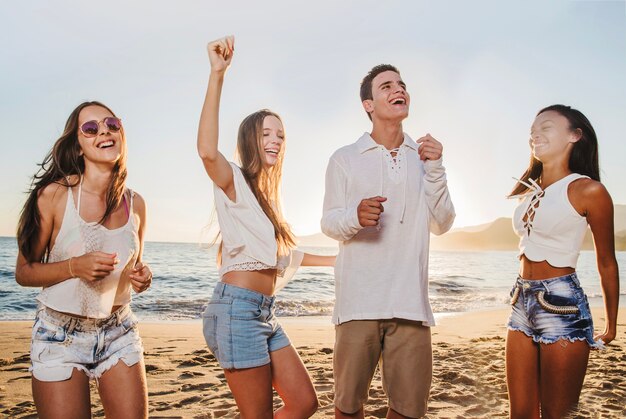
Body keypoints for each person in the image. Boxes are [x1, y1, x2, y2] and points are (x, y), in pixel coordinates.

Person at [197, 35, 335, 418]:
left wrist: (338, 261)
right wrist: (217, 75)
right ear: (249, 140)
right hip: (236, 311)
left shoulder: (269, 200)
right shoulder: (233, 181)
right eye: (266, 133)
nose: (275, 140)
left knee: (305, 402)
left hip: (264, 312)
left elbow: (286, 257)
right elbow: (207, 151)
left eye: (280, 135)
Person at [321, 64, 455, 418]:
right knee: (348, 409)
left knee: (409, 411)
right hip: (358, 305)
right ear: (368, 104)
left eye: (402, 84)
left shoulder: (425, 158)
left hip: (411, 305)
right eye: (387, 86)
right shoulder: (344, 158)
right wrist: (355, 215)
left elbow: (442, 222)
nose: (399, 90)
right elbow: (329, 222)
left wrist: (436, 168)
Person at [15, 101, 152, 418]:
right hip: (59, 334)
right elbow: (24, 272)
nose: (103, 131)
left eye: (111, 124)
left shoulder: (137, 204)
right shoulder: (53, 196)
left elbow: (134, 268)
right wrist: (74, 267)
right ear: (77, 147)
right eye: (91, 128)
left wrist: (142, 278)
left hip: (119, 331)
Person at [506, 104, 619, 418]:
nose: (535, 134)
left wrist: (611, 323)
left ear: (574, 135)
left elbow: (606, 261)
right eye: (533, 129)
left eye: (547, 126)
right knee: (520, 414)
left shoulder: (589, 190)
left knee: (557, 414)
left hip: (562, 304)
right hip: (520, 300)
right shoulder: (529, 191)